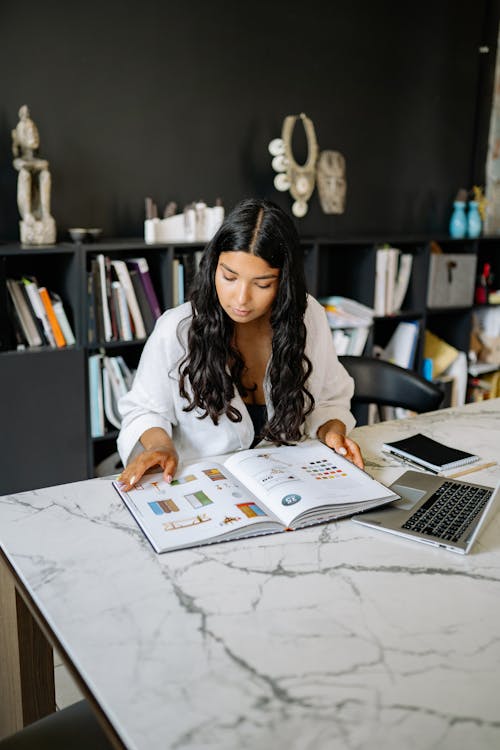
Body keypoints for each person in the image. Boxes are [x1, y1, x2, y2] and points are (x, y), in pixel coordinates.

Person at [117, 198, 363, 489]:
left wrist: (331, 430)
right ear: (213, 267)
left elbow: (331, 398)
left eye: (262, 284)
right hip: (210, 488)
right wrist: (161, 446)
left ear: (284, 282)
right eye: (229, 277)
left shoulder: (308, 317)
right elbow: (144, 410)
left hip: (290, 482)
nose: (241, 299)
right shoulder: (177, 329)